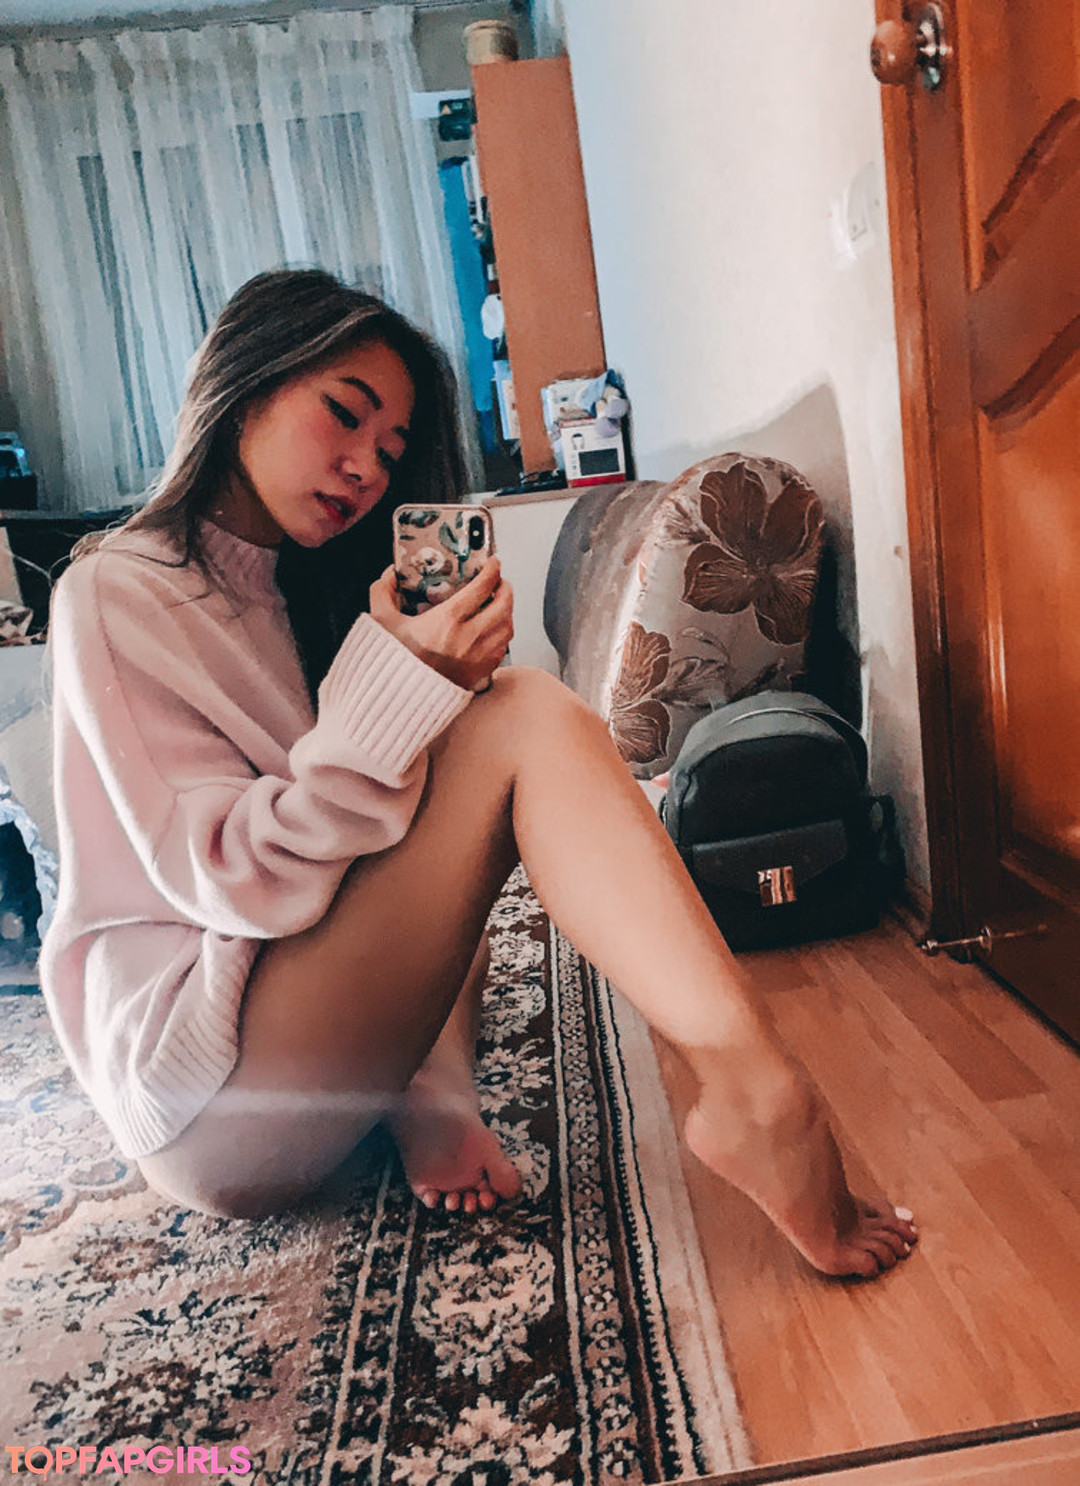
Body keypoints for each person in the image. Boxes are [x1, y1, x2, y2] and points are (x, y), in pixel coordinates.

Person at [41, 268, 918, 1278]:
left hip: (284, 1024)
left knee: (466, 895)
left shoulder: (288, 588)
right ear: (245, 386)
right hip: (209, 1094)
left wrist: (432, 692)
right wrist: (398, 686)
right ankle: (758, 1093)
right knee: (527, 720)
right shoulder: (115, 590)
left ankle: (434, 1097)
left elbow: (360, 833)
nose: (365, 468)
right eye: (344, 414)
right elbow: (238, 881)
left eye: (391, 451)